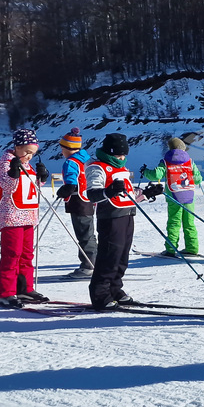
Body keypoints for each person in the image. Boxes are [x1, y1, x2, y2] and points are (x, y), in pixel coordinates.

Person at [85, 132, 163, 310]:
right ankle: (100, 294)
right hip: (110, 217)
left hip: (127, 214)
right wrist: (109, 191)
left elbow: (129, 195)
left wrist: (146, 193)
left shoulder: (123, 170)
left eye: (124, 155)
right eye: (118, 155)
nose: (122, 158)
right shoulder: (97, 167)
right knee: (109, 255)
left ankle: (115, 288)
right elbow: (92, 194)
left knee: (122, 256)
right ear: (109, 153)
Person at [0, 129, 51, 308]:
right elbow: (7, 186)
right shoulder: (6, 163)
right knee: (12, 254)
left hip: (28, 215)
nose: (28, 156)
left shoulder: (28, 165)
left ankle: (24, 288)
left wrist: (41, 178)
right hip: (12, 215)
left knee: (26, 254)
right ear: (17, 147)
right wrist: (12, 173)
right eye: (26, 151)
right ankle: (6, 292)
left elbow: (29, 187)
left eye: (32, 153)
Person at [142, 137, 203, 258]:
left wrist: (145, 171)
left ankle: (171, 249)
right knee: (189, 223)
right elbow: (198, 179)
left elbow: (156, 175)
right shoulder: (189, 162)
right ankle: (192, 248)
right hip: (189, 196)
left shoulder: (166, 161)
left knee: (174, 223)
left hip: (174, 196)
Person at [56, 128, 97, 278]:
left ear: (68, 148)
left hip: (78, 201)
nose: (62, 152)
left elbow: (71, 182)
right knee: (89, 233)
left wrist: (65, 190)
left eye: (62, 148)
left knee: (84, 234)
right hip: (89, 199)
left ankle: (89, 265)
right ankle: (93, 262)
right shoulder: (86, 159)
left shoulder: (71, 162)